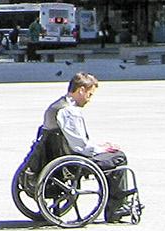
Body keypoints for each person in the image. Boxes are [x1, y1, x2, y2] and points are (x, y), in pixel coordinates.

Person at [44, 72, 137, 221]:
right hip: (73, 161)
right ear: (81, 90)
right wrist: (103, 149)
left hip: (60, 155)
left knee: (109, 153)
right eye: (89, 95)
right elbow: (81, 147)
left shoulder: (56, 106)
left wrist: (100, 146)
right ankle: (117, 207)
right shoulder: (69, 111)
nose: (89, 100)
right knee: (118, 156)